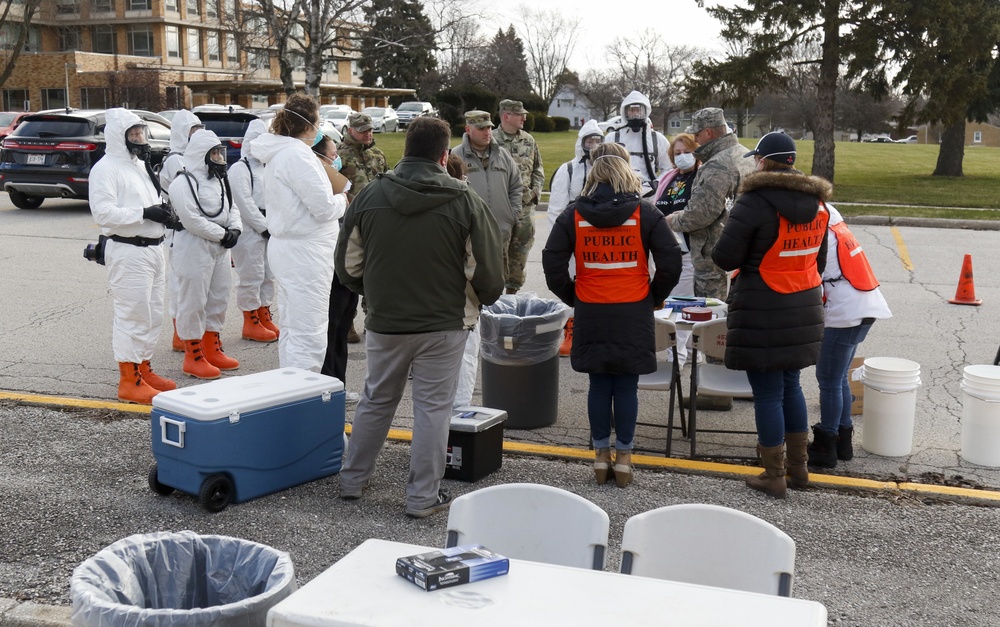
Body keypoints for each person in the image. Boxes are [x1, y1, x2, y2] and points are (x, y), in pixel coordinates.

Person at [336, 116, 504, 518]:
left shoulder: (370, 195)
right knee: (433, 410)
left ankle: (352, 480)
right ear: (445, 155)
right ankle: (422, 497)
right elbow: (488, 273)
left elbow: (347, 267)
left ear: (405, 149)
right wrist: (478, 301)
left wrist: (375, 296)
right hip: (444, 322)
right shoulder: (465, 201)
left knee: (377, 400)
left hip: (387, 320)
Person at [543, 142, 681, 488]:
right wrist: (655, 295)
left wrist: (573, 295)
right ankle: (625, 458)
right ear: (626, 174)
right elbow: (671, 261)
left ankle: (600, 456)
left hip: (592, 307)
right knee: (627, 386)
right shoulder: (645, 214)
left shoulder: (573, 214)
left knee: (599, 383)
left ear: (592, 177)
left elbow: (552, 263)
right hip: (633, 307)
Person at [710, 132, 831, 499]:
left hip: (763, 306)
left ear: (763, 161)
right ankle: (800, 469)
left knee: (766, 392)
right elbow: (819, 261)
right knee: (790, 384)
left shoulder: (754, 202)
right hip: (804, 304)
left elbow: (725, 258)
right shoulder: (819, 203)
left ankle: (773, 473)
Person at [250, 92, 347, 372]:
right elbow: (323, 208)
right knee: (310, 330)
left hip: (290, 248)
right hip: (305, 252)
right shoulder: (297, 155)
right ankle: (305, 395)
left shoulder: (283, 152)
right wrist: (343, 200)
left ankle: (291, 386)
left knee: (293, 326)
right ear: (309, 125)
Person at [89, 108, 175, 404]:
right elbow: (103, 213)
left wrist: (163, 213)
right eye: (133, 134)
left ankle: (143, 369)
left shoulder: (139, 165)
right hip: (128, 250)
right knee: (132, 315)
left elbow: (149, 200)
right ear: (118, 136)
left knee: (151, 315)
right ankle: (129, 379)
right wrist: (144, 213)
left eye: (141, 132)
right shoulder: (106, 168)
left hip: (153, 248)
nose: (140, 138)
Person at [809, 203, 891, 468]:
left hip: (846, 310)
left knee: (828, 378)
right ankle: (842, 443)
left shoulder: (820, 228)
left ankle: (826, 446)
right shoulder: (835, 223)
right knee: (838, 376)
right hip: (863, 304)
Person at [168, 129, 243, 379]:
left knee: (219, 297)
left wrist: (235, 228)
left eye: (220, 152)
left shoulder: (219, 180)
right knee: (193, 301)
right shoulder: (183, 182)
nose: (220, 157)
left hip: (219, 247)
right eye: (214, 153)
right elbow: (191, 219)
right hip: (193, 247)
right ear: (202, 154)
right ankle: (192, 354)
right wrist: (222, 234)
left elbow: (232, 207)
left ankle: (211, 346)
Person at [665, 107, 754, 300]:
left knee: (712, 321)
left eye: (697, 134)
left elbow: (700, 214)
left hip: (713, 259)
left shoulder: (717, 165)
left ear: (708, 132)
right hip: (741, 249)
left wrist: (673, 220)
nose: (695, 140)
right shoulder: (745, 155)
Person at [547, 119, 604, 356]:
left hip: (600, 238)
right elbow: (556, 208)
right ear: (581, 143)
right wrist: (562, 241)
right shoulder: (567, 170)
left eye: (597, 140)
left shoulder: (606, 169)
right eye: (588, 140)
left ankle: (599, 332)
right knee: (572, 284)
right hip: (574, 237)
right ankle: (570, 331)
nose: (592, 145)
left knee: (598, 285)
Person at [313, 134, 360, 404]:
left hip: (345, 269)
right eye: (332, 154)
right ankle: (327, 384)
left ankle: (339, 384)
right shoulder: (319, 183)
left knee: (341, 330)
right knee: (329, 332)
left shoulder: (336, 183)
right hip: (328, 268)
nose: (336, 159)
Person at [337, 111, 389, 344]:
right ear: (350, 130)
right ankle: (347, 323)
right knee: (349, 272)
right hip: (348, 222)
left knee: (375, 272)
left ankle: (373, 320)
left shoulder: (377, 155)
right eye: (362, 130)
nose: (368, 134)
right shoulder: (339, 156)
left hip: (376, 221)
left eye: (369, 129)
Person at [650, 132, 700, 365]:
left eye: (687, 152)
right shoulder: (667, 178)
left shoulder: (702, 177)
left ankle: (677, 357)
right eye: (677, 153)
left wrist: (672, 220)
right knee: (669, 302)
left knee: (679, 305)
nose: (682, 157)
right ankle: (687, 352)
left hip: (688, 251)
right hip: (664, 252)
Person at [228, 118, 279, 344]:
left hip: (269, 227)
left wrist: (273, 225)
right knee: (252, 275)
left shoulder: (268, 167)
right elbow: (244, 203)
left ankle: (263, 313)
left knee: (268, 274)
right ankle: (250, 320)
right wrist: (263, 227)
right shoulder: (240, 169)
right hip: (250, 231)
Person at [158, 109, 203, 352]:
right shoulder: (177, 159)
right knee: (180, 282)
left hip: (193, 227)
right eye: (191, 131)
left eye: (198, 130)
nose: (196, 135)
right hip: (179, 230)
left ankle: (189, 332)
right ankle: (180, 334)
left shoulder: (192, 156)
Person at [492, 99, 543, 294]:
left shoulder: (528, 140)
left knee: (521, 252)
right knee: (498, 252)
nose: (525, 117)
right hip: (500, 207)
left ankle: (512, 293)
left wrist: (535, 192)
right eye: (520, 114)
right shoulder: (492, 140)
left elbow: (538, 168)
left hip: (525, 206)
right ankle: (493, 296)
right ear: (506, 116)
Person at [451, 110, 522, 245]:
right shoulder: (456, 156)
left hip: (501, 232)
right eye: (481, 128)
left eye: (489, 127)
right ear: (468, 129)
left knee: (500, 266)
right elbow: (451, 193)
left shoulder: (503, 155)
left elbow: (516, 186)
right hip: (469, 236)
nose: (487, 132)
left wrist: (512, 216)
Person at [603, 90, 670, 197]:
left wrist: (657, 183)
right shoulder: (613, 138)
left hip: (649, 197)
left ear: (645, 111)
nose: (635, 114)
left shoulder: (657, 139)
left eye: (638, 110)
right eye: (631, 110)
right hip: (618, 196)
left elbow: (668, 168)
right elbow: (602, 168)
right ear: (625, 112)